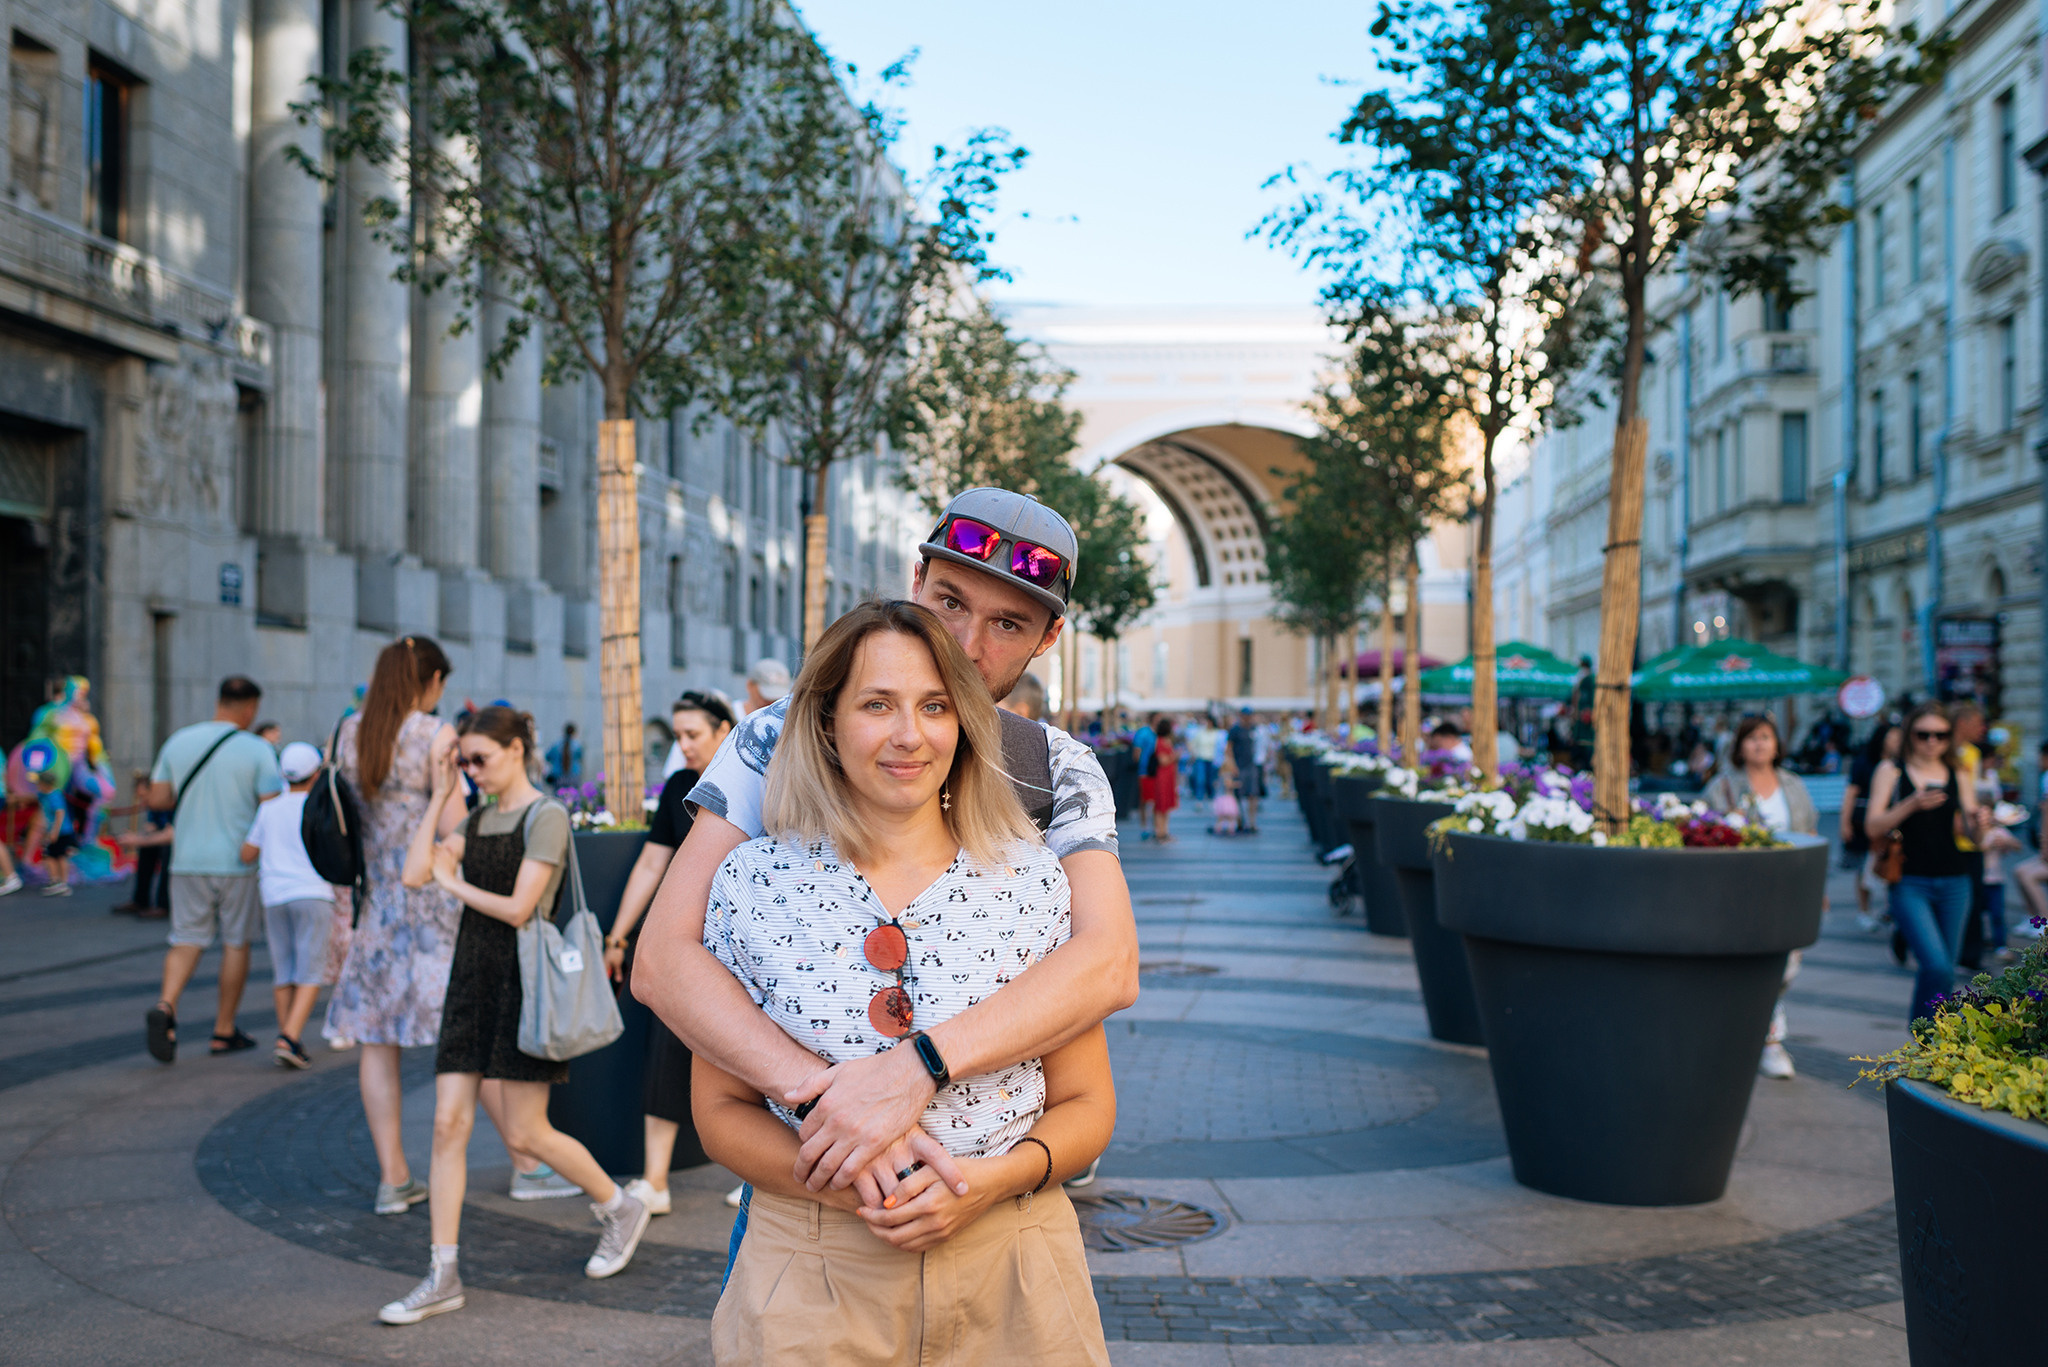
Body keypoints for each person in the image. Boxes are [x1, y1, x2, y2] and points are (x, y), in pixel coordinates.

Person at [635, 486, 1135, 1241]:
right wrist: (835, 1108)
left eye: (1007, 623)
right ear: (916, 580)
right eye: (950, 601)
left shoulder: (1055, 768)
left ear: (1050, 637)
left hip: (997, 1211)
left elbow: (1109, 963)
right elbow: (665, 959)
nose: (965, 642)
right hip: (807, 1201)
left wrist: (917, 1068)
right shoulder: (777, 738)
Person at [696, 600, 1114, 1366]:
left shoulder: (1031, 882)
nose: (909, 734)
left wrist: (991, 1181)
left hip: (1013, 1264)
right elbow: (719, 1111)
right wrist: (841, 1184)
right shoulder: (752, 884)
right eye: (877, 704)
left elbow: (1088, 1103)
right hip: (812, 1271)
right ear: (826, 720)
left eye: (934, 706)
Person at [378, 706, 649, 1326]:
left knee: (526, 1134)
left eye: (480, 759)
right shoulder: (476, 817)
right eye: (464, 762)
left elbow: (520, 908)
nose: (471, 771)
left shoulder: (544, 815)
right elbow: (414, 873)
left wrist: (453, 883)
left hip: (524, 983)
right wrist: (439, 795)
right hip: (471, 982)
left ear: (518, 749)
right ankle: (442, 1273)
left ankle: (618, 1204)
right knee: (447, 1124)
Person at [323, 637, 475, 1215]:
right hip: (435, 901)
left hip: (379, 903)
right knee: (463, 1034)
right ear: (431, 680)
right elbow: (456, 826)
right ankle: (526, 1158)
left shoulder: (348, 733)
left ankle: (393, 1178)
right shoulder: (435, 735)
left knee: (376, 1040)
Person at [604, 691, 739, 1215]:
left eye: (692, 734)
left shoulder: (759, 781)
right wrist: (618, 936)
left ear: (724, 730)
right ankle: (655, 1180)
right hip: (686, 936)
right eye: (678, 735)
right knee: (664, 1048)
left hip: (741, 940)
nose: (683, 745)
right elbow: (650, 863)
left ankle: (755, 1172)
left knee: (747, 1050)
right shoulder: (681, 785)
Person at [142, 677, 283, 1062]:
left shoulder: (179, 741)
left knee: (186, 938)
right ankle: (223, 1029)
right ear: (250, 708)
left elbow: (158, 798)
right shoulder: (257, 749)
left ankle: (166, 1004)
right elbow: (272, 805)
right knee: (236, 942)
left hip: (187, 859)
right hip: (238, 861)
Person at [1703, 716, 1818, 1078]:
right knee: (1747, 966)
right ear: (1738, 745)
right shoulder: (1723, 785)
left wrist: (1818, 886)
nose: (1759, 744)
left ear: (1776, 744)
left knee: (1787, 966)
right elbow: (1703, 832)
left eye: (1766, 737)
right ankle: (1769, 1042)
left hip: (1789, 886)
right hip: (1741, 889)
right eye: (1751, 738)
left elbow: (1810, 832)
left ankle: (1760, 1032)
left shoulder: (1792, 785)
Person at [1865, 702, 1990, 1024]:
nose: (1932, 742)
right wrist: (1912, 803)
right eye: (1924, 735)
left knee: (1945, 971)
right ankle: (1923, 1033)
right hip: (1909, 881)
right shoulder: (1891, 770)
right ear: (1910, 734)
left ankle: (1935, 1038)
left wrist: (1981, 823)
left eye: (1941, 735)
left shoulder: (1958, 772)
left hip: (1956, 880)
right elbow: (1873, 826)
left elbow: (1973, 837)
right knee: (1936, 965)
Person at [240, 742, 335, 1069]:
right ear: (316, 774)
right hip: (313, 892)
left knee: (284, 970)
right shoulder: (319, 807)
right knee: (311, 969)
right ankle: (289, 1038)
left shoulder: (269, 809)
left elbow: (247, 853)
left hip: (274, 895)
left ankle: (288, 1037)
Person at [1842, 725, 1901, 930]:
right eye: (1892, 737)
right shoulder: (1866, 762)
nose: (1896, 742)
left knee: (1892, 864)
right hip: (1863, 822)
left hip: (1891, 823)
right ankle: (1864, 910)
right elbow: (1851, 793)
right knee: (1863, 868)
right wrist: (1845, 823)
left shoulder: (1901, 764)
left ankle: (1890, 909)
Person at [1227, 708, 1262, 833]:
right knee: (1238, 794)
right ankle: (1239, 821)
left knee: (1253, 794)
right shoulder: (1235, 730)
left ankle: (1252, 823)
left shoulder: (1254, 729)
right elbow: (1229, 748)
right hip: (1239, 766)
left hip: (1251, 765)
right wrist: (1232, 765)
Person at [1150, 717, 1180, 843]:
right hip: (1162, 777)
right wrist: (1174, 756)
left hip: (1168, 777)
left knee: (1165, 806)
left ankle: (1164, 831)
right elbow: (1163, 761)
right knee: (1161, 805)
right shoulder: (1161, 742)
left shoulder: (1165, 741)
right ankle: (1160, 832)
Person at [545, 722, 582, 789]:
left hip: (558, 777)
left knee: (559, 794)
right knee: (573, 794)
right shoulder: (577, 746)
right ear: (574, 733)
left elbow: (547, 757)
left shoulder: (556, 745)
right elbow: (580, 758)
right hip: (573, 776)